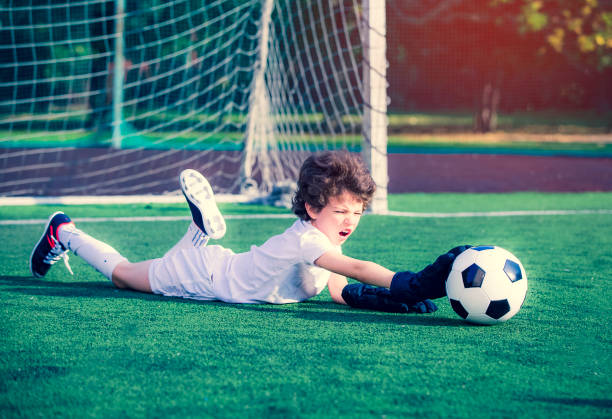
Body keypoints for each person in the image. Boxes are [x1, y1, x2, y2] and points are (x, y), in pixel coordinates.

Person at [29, 151, 470, 314]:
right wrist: (412, 282)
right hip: (205, 278)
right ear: (313, 207)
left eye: (357, 211)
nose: (350, 220)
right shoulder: (309, 240)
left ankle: (198, 232)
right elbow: (353, 267)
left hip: (214, 268)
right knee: (123, 275)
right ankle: (63, 231)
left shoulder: (322, 238)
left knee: (159, 263)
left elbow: (341, 285)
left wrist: (386, 300)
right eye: (340, 210)